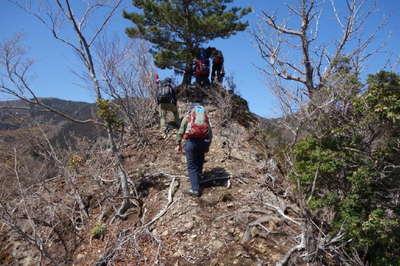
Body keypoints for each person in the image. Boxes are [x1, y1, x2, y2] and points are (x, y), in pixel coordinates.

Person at [175, 97, 212, 197]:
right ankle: (199, 178)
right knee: (200, 160)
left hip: (191, 143)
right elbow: (210, 133)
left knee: (191, 166)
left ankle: (195, 189)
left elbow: (181, 131)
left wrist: (178, 144)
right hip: (203, 142)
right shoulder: (205, 118)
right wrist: (207, 145)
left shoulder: (188, 117)